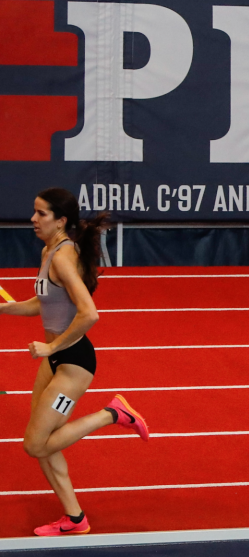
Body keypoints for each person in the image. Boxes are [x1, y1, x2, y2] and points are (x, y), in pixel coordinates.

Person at [1, 188, 149, 536]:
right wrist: (8, 308)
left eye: (41, 214)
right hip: (55, 359)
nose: (33, 220)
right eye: (34, 212)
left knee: (35, 444)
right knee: (45, 445)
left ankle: (113, 413)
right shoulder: (48, 250)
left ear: (61, 220)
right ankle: (75, 518)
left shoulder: (64, 257)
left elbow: (89, 314)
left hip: (74, 363)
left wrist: (52, 350)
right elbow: (46, 304)